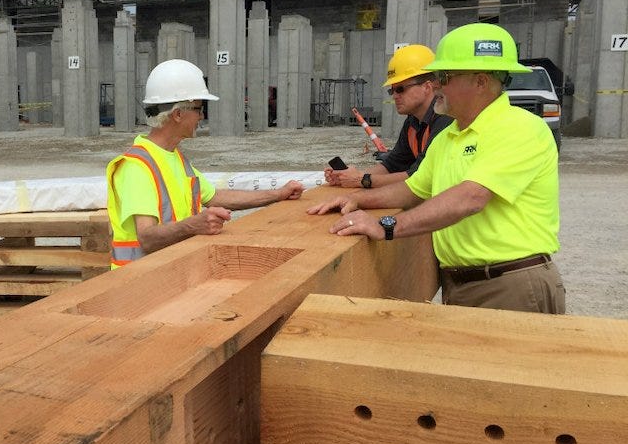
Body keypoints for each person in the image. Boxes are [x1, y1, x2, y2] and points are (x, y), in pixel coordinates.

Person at [307, 23, 565, 314]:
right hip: (459, 284)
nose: (436, 85)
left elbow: (471, 198)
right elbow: (411, 190)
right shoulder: (448, 137)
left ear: (480, 82)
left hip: (510, 285)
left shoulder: (520, 129)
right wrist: (356, 199)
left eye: (444, 76)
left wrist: (386, 226)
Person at [107, 59, 304, 269]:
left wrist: (278, 194)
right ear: (178, 114)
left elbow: (215, 197)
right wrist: (193, 225)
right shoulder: (137, 166)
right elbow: (147, 238)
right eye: (199, 109)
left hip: (168, 273)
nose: (201, 116)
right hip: (137, 285)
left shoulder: (173, 157)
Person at [326, 45, 452, 189]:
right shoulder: (413, 121)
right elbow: (392, 165)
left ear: (427, 87)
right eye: (392, 90)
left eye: (400, 89)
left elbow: (418, 176)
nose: (395, 96)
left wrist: (363, 180)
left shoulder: (445, 120)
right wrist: (350, 177)